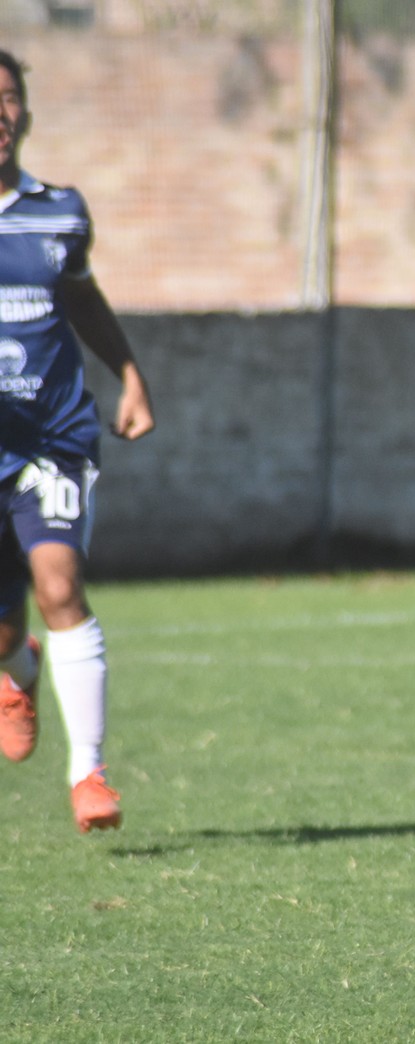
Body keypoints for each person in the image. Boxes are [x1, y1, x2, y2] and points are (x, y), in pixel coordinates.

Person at [0, 49, 154, 832]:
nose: (0, 112)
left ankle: (88, 774)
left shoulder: (59, 212)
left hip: (52, 438)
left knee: (60, 584)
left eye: (9, 97)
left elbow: (83, 298)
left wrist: (128, 372)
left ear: (24, 112)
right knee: (2, 631)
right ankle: (15, 667)